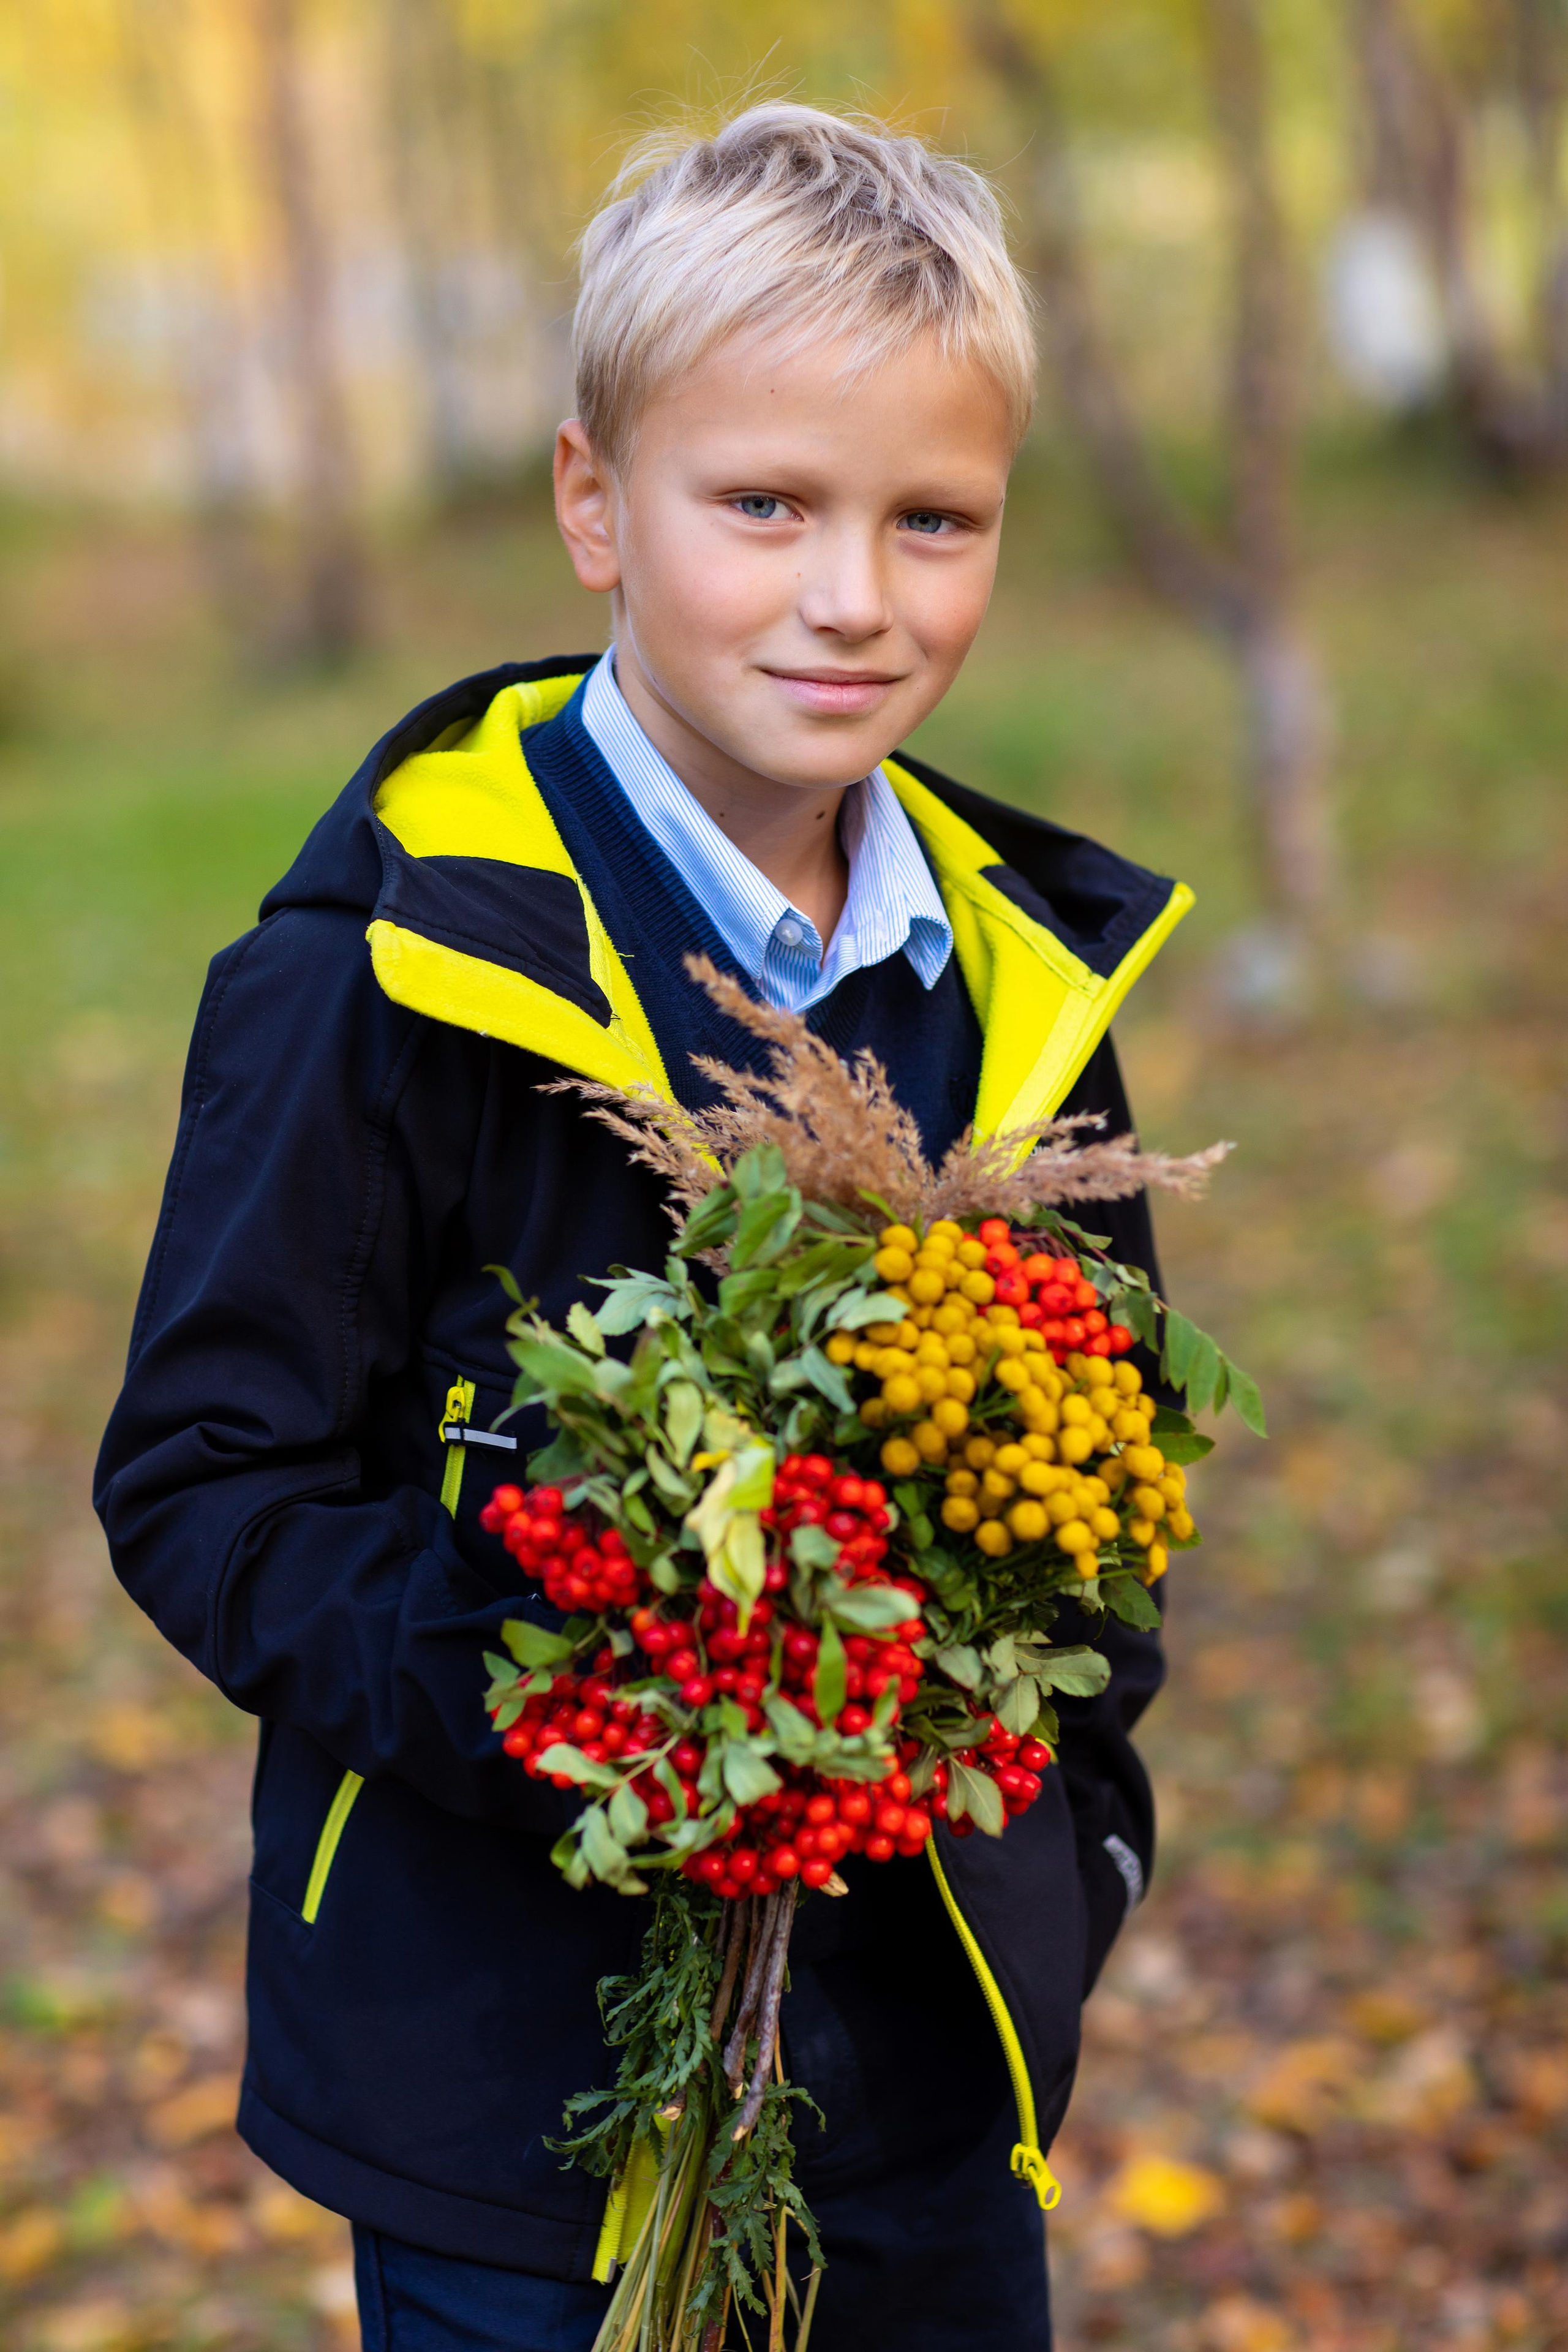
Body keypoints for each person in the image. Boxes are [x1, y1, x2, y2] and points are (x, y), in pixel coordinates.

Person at [96, 104, 1191, 2352]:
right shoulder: (379, 973)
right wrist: (586, 1699)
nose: (853, 595)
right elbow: (207, 1483)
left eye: (934, 518)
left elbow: (1106, 1491)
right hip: (510, 2115)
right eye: (764, 504)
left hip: (920, 2090)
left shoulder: (1016, 986)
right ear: (595, 503)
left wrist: (1076, 1846)